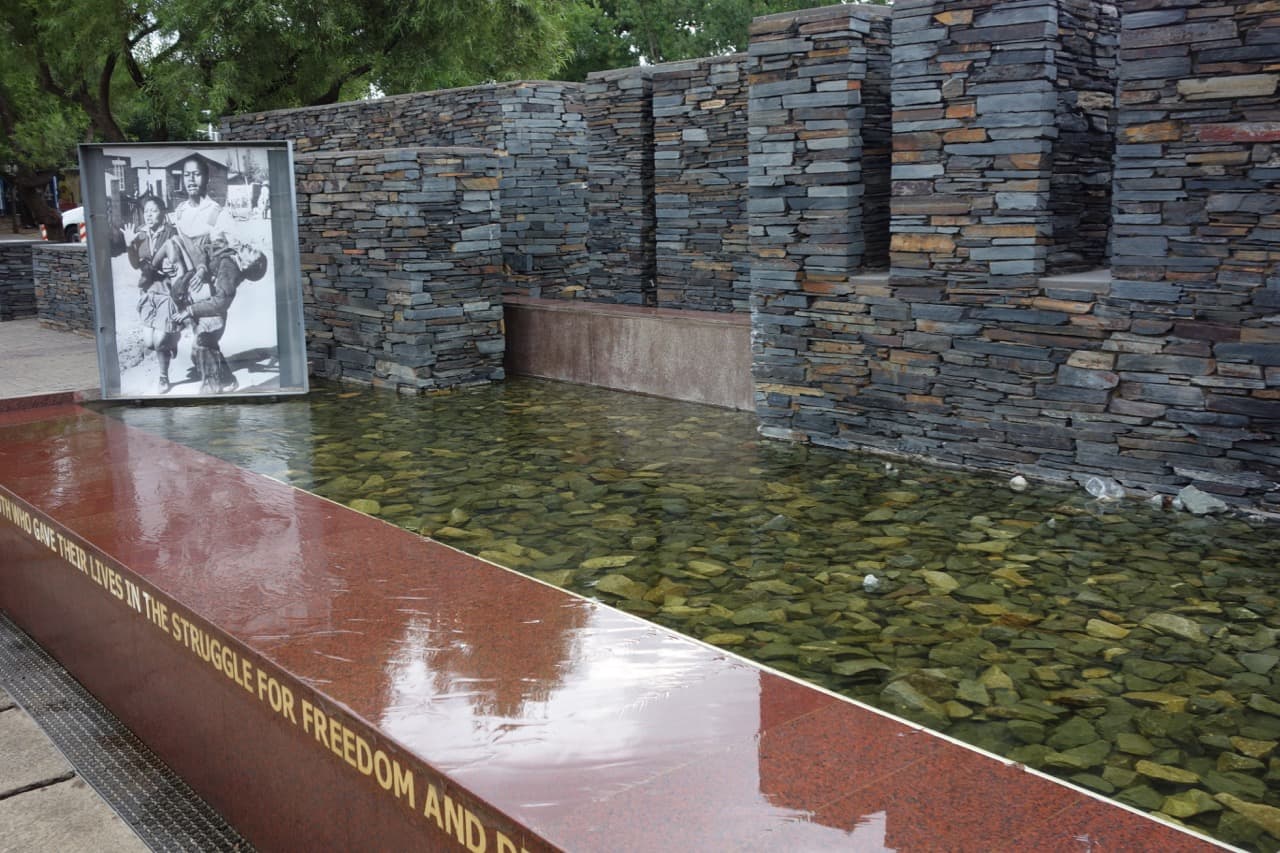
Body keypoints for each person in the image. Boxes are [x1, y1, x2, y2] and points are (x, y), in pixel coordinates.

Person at [172, 241, 268, 393]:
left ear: (244, 266)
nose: (249, 246)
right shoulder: (232, 255)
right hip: (205, 310)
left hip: (212, 316)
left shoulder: (230, 270)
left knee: (202, 347)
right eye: (251, 248)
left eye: (251, 252)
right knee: (202, 350)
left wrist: (190, 310)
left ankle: (210, 392)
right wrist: (202, 268)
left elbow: (221, 302)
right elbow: (205, 249)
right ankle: (228, 380)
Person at [122, 196, 181, 393]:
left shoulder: (171, 232)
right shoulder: (139, 234)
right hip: (147, 291)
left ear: (163, 212)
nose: (149, 215)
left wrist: (172, 266)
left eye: (154, 210)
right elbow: (135, 264)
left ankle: (163, 377)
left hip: (167, 291)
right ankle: (172, 340)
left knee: (158, 341)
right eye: (146, 211)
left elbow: (178, 261)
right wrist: (130, 245)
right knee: (149, 343)